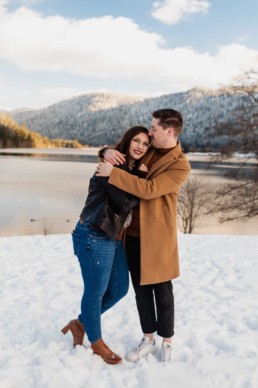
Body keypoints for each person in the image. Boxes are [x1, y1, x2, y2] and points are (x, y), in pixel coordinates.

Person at [96, 109, 191, 362]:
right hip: (133, 235)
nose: (149, 133)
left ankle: (167, 342)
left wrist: (113, 174)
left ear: (169, 131)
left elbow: (150, 189)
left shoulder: (180, 165)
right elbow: (125, 150)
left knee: (163, 291)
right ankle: (148, 338)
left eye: (154, 128)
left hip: (158, 237)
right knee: (140, 291)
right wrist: (105, 152)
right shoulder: (148, 149)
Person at [61, 126, 150, 365]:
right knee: (95, 291)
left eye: (145, 143)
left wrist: (135, 173)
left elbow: (129, 199)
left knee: (119, 289)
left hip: (114, 237)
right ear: (127, 140)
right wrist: (140, 177)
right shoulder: (109, 167)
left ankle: (79, 324)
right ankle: (96, 340)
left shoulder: (126, 167)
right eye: (136, 140)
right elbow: (123, 204)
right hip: (93, 234)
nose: (140, 146)